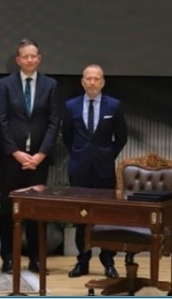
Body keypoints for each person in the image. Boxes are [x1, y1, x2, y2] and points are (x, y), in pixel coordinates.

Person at [0, 38, 63, 275]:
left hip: (38, 161)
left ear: (39, 58)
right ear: (18, 60)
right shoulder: (5, 85)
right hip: (11, 160)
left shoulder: (50, 85)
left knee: (36, 211)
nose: (30, 60)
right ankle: (8, 258)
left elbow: (54, 122)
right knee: (8, 211)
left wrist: (41, 154)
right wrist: (16, 152)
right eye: (25, 56)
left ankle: (36, 258)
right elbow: (1, 120)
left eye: (33, 56)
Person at [63, 64, 127, 279]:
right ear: (82, 82)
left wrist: (107, 155)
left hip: (104, 170)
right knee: (81, 215)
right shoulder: (71, 105)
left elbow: (121, 137)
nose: (92, 82)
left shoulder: (114, 105)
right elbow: (67, 137)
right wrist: (80, 154)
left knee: (106, 215)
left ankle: (108, 261)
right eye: (88, 78)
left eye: (96, 79)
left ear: (103, 82)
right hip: (79, 170)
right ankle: (82, 260)